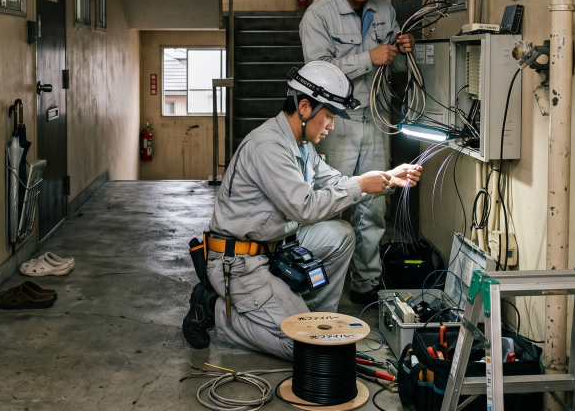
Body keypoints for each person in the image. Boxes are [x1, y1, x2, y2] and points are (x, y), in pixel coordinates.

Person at [181, 61, 422, 359]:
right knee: (306, 350)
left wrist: (386, 178)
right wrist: (361, 185)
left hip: (273, 248)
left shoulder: (302, 145)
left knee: (341, 234)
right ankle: (214, 310)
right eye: (329, 116)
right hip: (239, 264)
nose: (332, 126)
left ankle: (311, 319)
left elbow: (335, 181)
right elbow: (304, 208)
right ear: (305, 107)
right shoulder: (268, 146)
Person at [299, 0, 417, 305]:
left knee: (375, 204)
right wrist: (369, 57)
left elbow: (394, 53)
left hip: (376, 120)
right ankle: (323, 284)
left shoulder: (384, 11)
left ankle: (367, 284)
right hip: (338, 124)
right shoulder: (318, 17)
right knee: (335, 201)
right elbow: (318, 72)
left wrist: (404, 46)